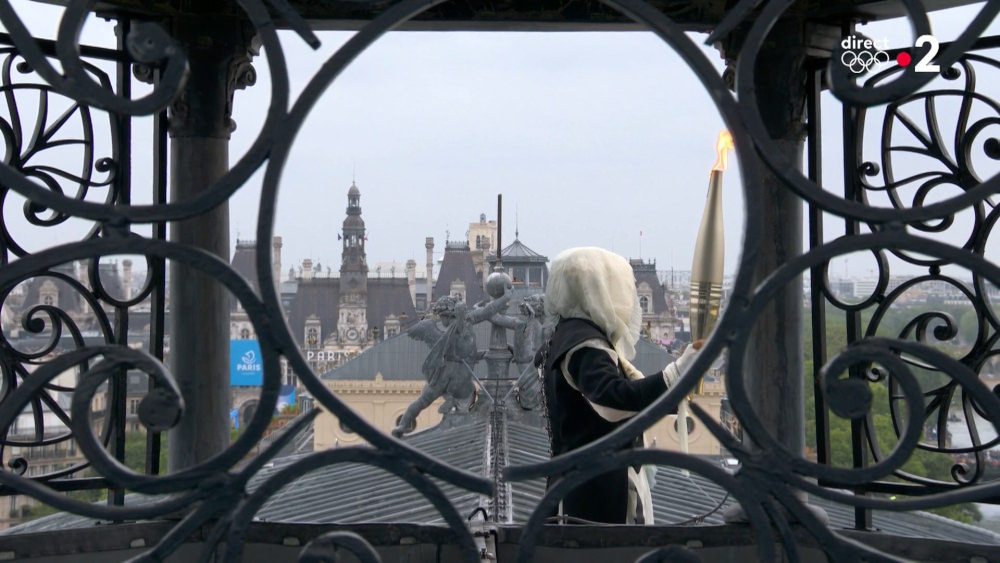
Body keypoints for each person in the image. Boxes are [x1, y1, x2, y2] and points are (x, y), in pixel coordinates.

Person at [536, 247, 702, 524]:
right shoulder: (585, 347)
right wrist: (678, 372)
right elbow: (613, 402)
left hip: (579, 486)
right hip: (596, 498)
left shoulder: (567, 336)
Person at [392, 293, 510, 437]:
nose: (441, 321)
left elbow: (463, 352)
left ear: (448, 315)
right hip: (459, 377)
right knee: (463, 396)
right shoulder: (467, 321)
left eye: (442, 317)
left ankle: (402, 426)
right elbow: (488, 311)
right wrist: (505, 297)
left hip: (443, 375)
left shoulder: (446, 330)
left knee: (423, 401)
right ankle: (453, 407)